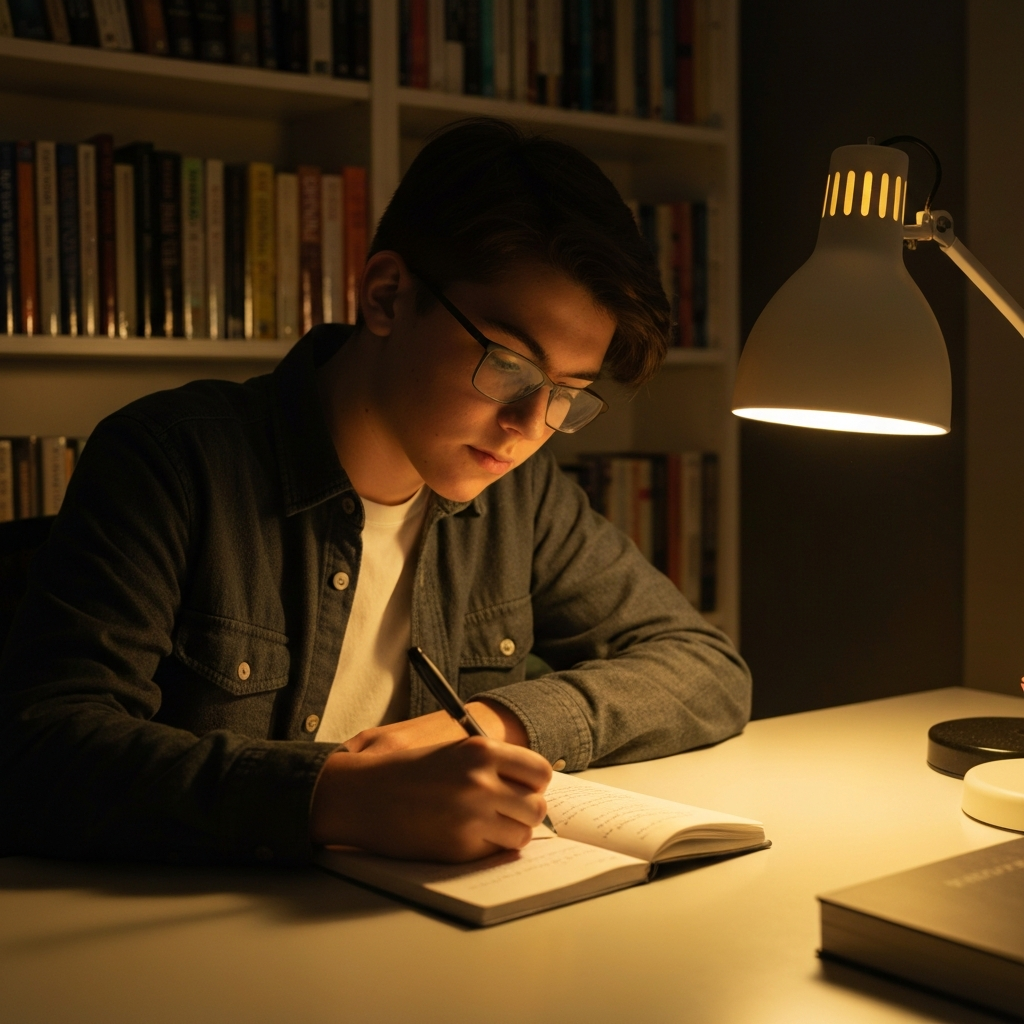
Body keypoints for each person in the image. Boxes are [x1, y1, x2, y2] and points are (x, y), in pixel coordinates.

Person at [0, 119, 751, 867]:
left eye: (566, 395)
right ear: (388, 296)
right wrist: (333, 795)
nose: (528, 426)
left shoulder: (521, 498)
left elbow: (706, 669)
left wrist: (492, 724)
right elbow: (43, 744)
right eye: (510, 366)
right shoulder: (172, 458)